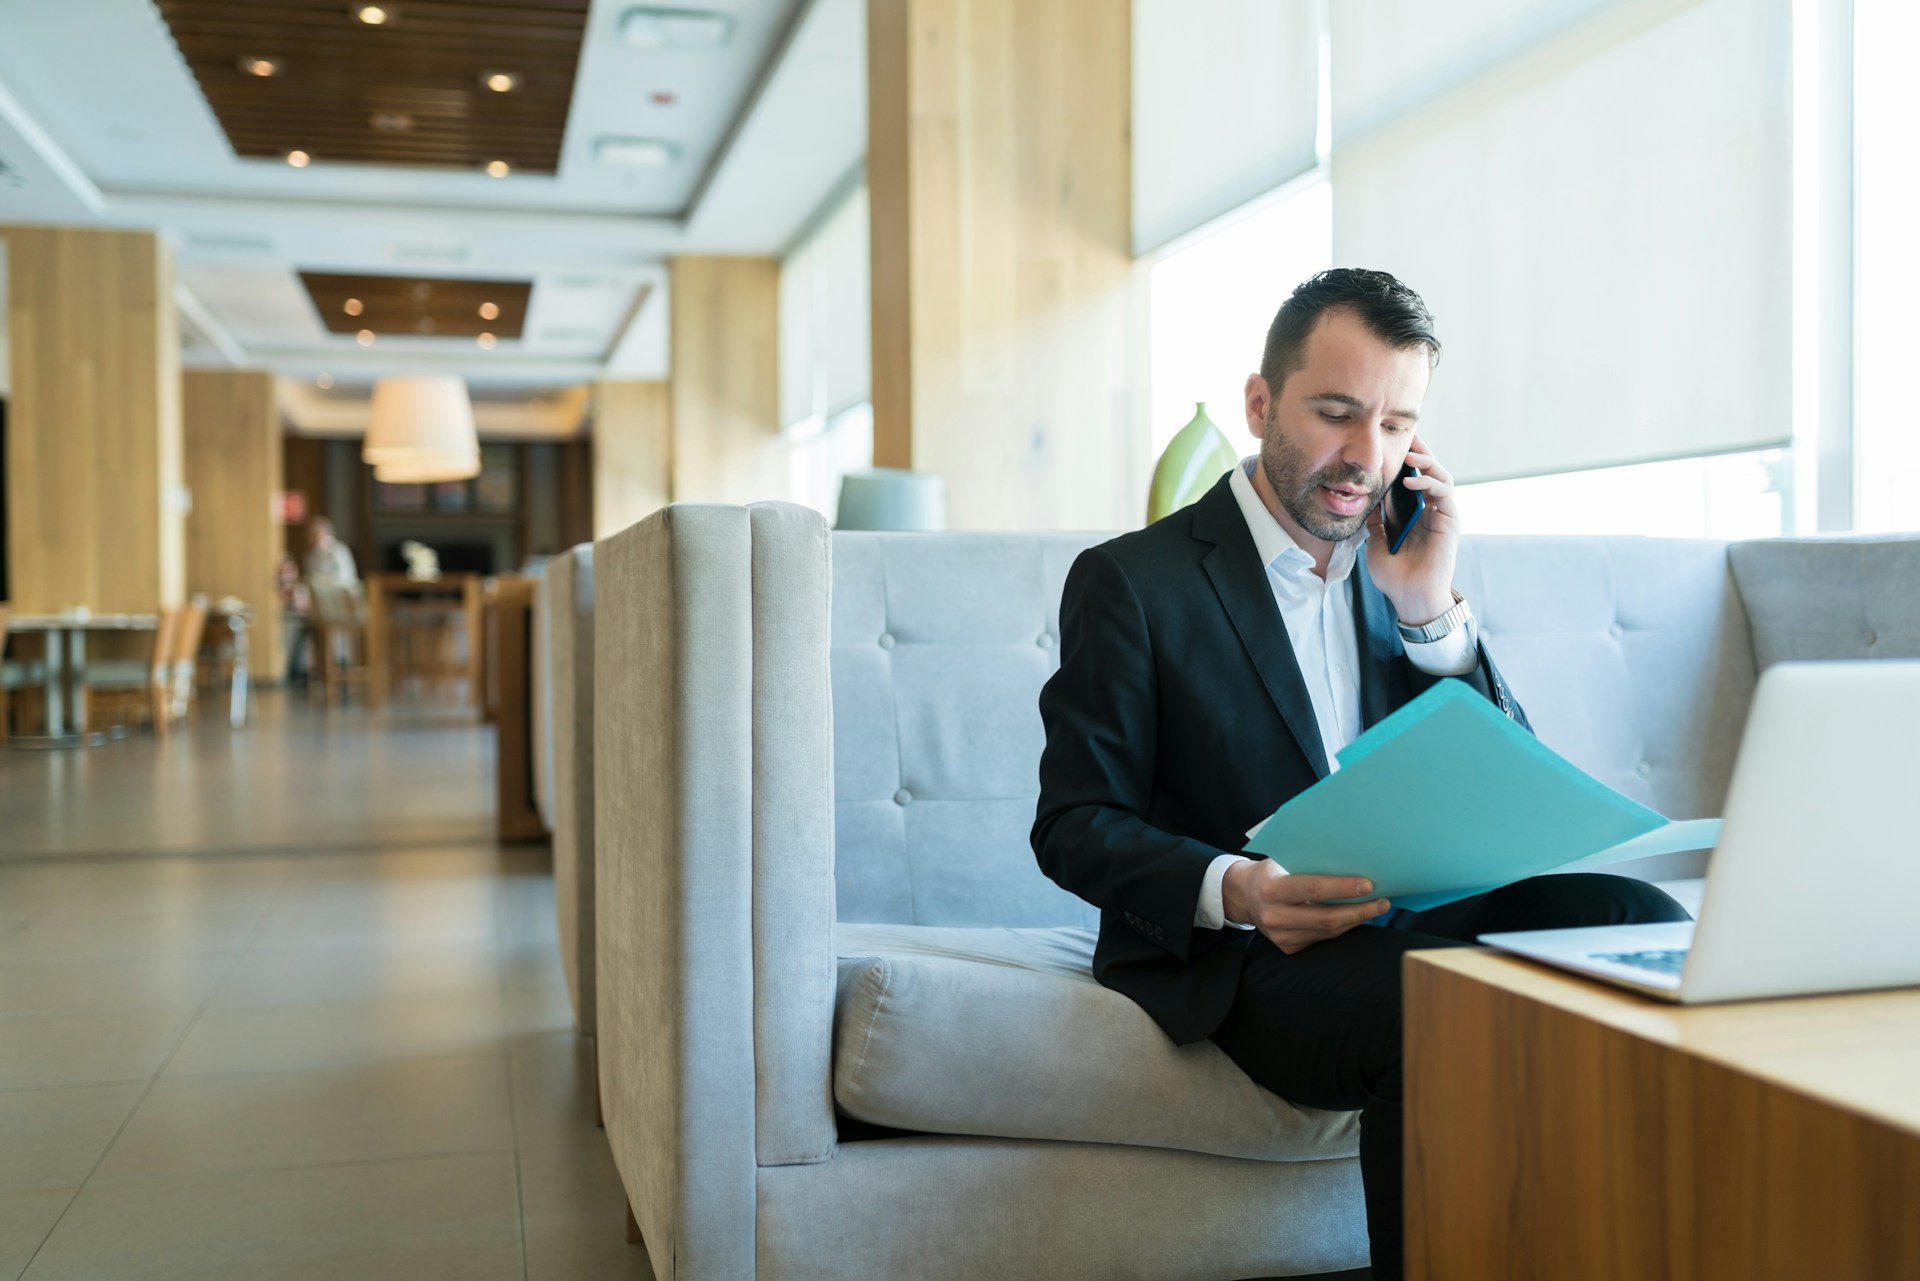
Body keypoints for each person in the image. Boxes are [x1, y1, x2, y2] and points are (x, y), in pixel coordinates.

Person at [1030, 268, 1688, 1281]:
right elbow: (1076, 821)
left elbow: (1496, 771)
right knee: (1442, 1010)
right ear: (1261, 404)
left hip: (1411, 914)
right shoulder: (1135, 581)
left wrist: (1429, 609)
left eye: (1395, 424)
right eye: (1337, 415)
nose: (1365, 458)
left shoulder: (1404, 563)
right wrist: (1238, 891)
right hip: (1249, 954)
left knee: (1635, 919)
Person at [303, 516, 360, 588]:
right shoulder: (312, 554)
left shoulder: (339, 550)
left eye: (314, 534)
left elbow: (346, 576)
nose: (311, 538)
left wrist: (324, 579)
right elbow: (310, 575)